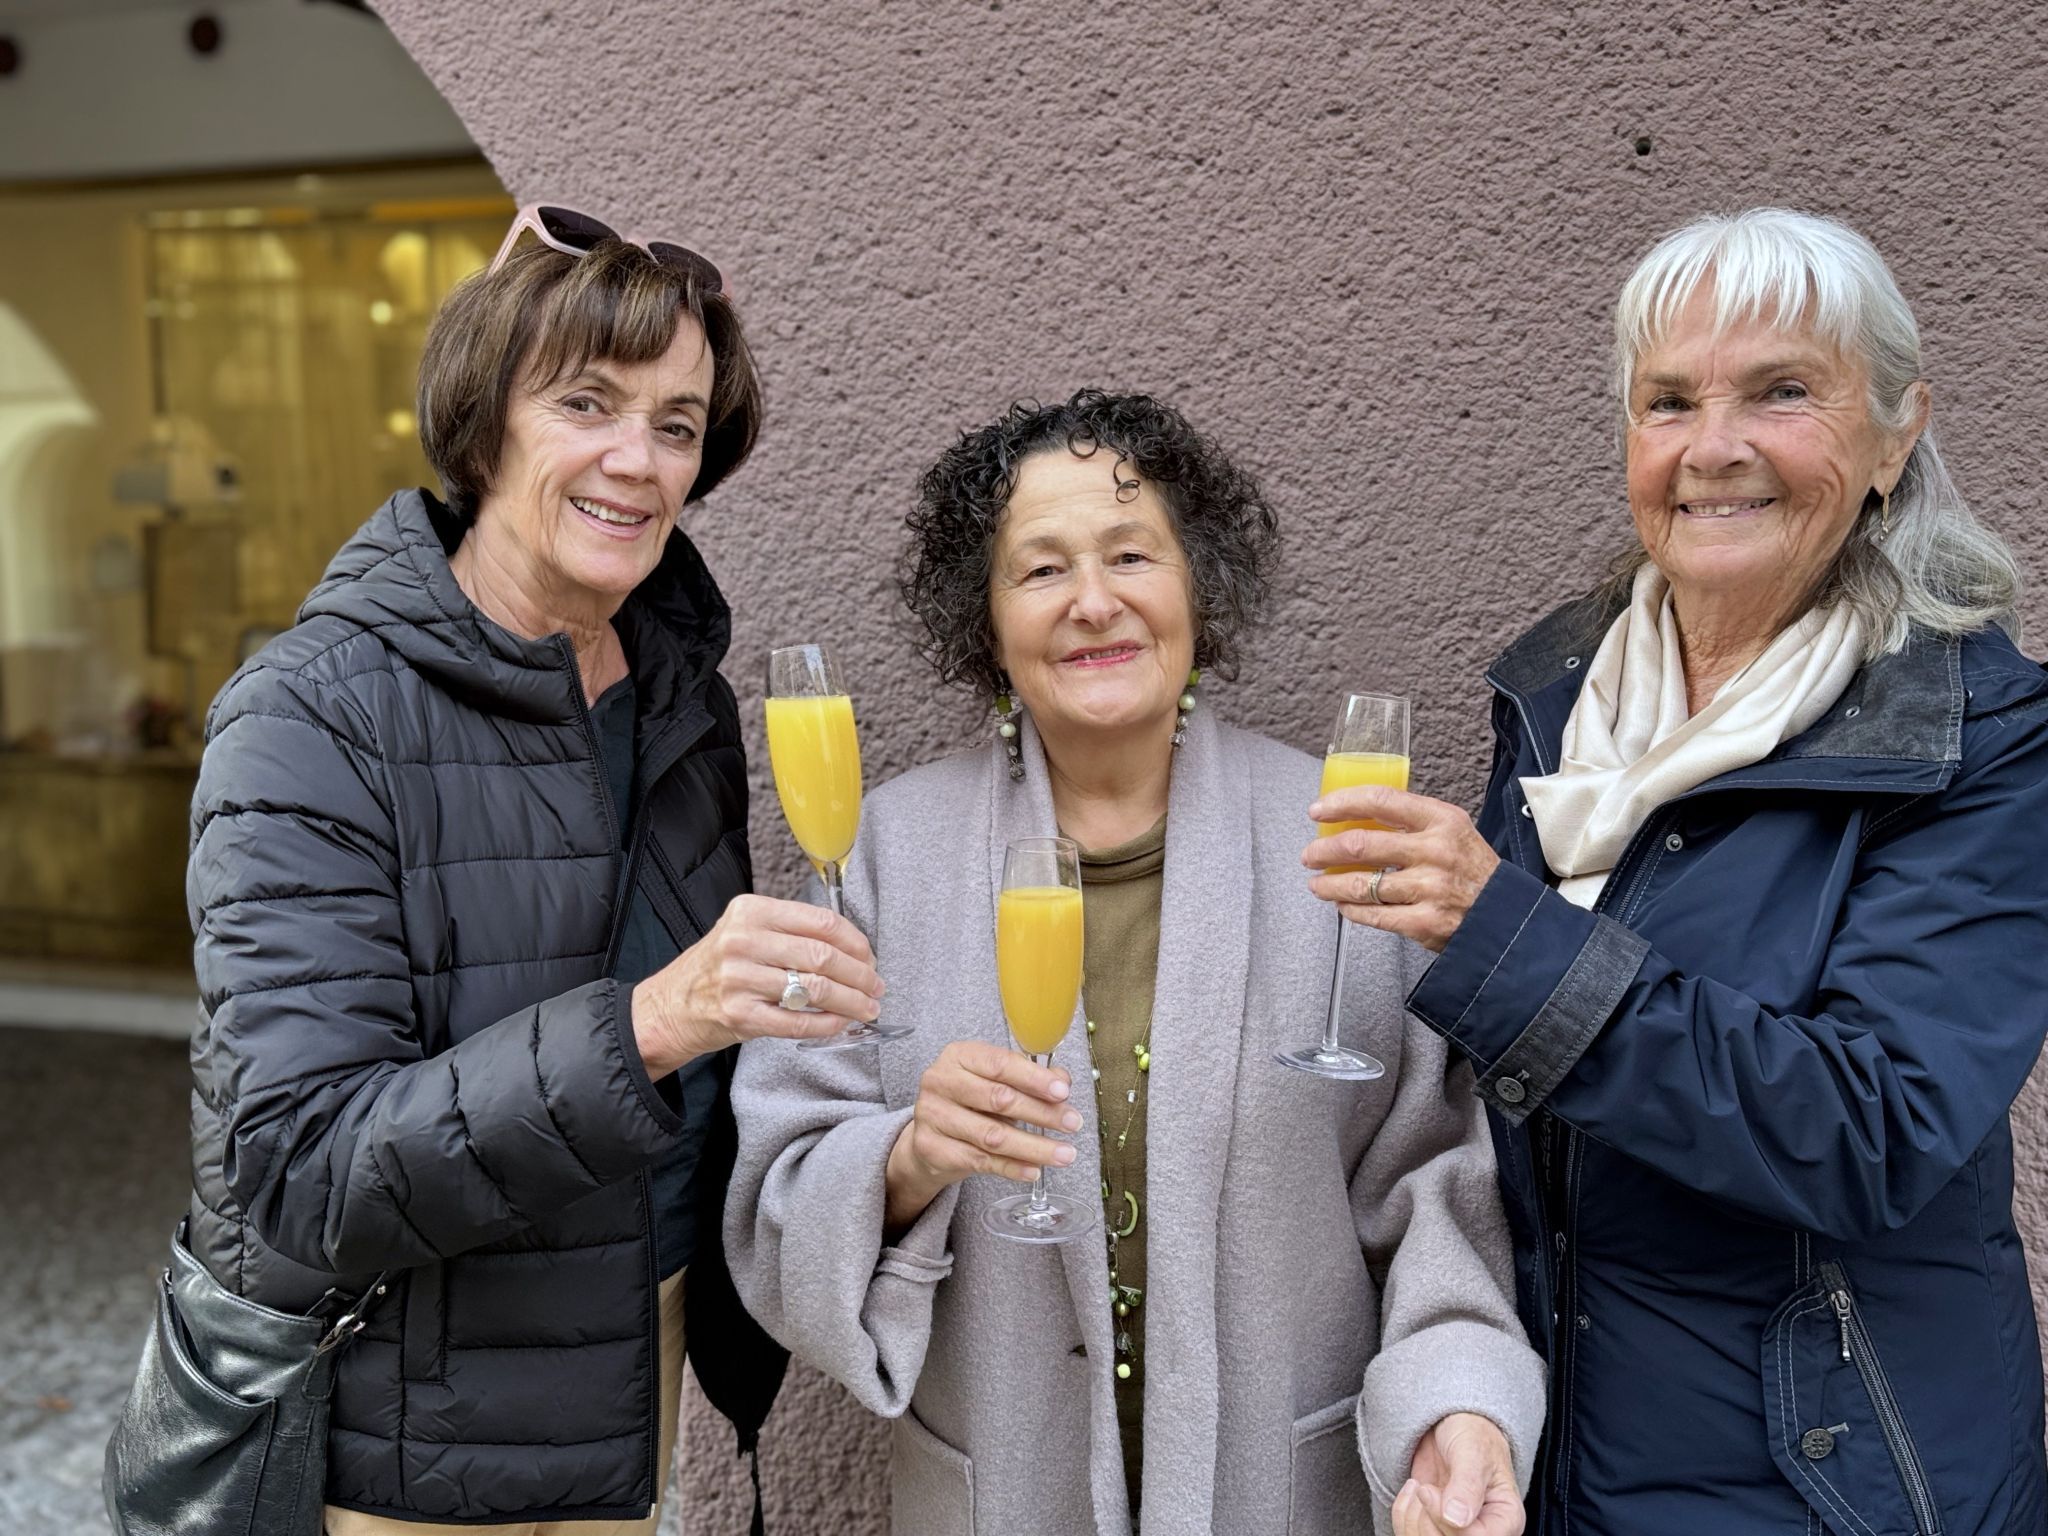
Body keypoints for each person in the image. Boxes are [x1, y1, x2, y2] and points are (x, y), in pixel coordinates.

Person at [1304, 207, 2048, 1535]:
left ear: (1896, 431)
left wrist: (1506, 941)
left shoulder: (1986, 743)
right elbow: (1502, 1125)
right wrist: (1461, 1396)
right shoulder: (1559, 703)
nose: (1715, 447)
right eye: (1669, 401)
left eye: (1781, 392)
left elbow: (1872, 1132)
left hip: (1831, 1487)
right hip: (1562, 1471)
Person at [725, 390, 1545, 1535]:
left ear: (1197, 588)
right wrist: (908, 1158)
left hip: (1286, 1497)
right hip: (994, 1497)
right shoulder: (873, 859)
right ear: (985, 618)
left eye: (1129, 554)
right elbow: (776, 1207)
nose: (1093, 601)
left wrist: (1457, 1414)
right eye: (1040, 569)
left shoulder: (1346, 842)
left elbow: (1434, 1194)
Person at [181, 209, 886, 1533]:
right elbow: (299, 1167)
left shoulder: (686, 700)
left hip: (635, 1373)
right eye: (587, 403)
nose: (638, 461)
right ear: (481, 425)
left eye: (676, 425)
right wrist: (661, 1021)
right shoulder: (308, 717)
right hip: (409, 1437)